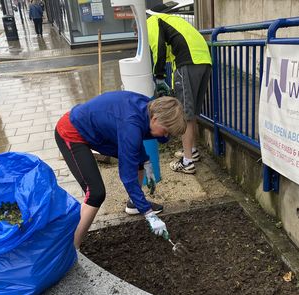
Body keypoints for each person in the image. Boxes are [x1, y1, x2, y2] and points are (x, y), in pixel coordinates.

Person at [54, 91, 187, 249]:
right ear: (155, 119)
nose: (165, 137)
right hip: (71, 131)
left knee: (138, 161)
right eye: (165, 131)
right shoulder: (130, 123)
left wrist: (145, 162)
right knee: (95, 193)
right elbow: (128, 176)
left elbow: (137, 139)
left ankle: (134, 203)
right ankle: (71, 249)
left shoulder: (150, 109)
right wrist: (149, 214)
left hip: (101, 131)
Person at [147, 13, 212, 175]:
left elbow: (159, 47)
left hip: (187, 62)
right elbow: (169, 51)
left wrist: (159, 76)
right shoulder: (171, 22)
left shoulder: (150, 22)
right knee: (192, 113)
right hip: (204, 61)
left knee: (183, 114)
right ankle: (192, 150)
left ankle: (187, 162)